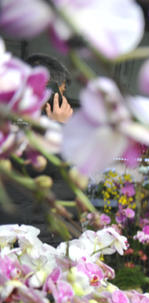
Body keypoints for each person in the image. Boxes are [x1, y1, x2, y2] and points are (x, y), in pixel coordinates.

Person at [0, 54, 77, 244]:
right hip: (23, 238)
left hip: (47, 237)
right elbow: (42, 167)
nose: (62, 101)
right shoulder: (12, 124)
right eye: (59, 93)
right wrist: (57, 128)